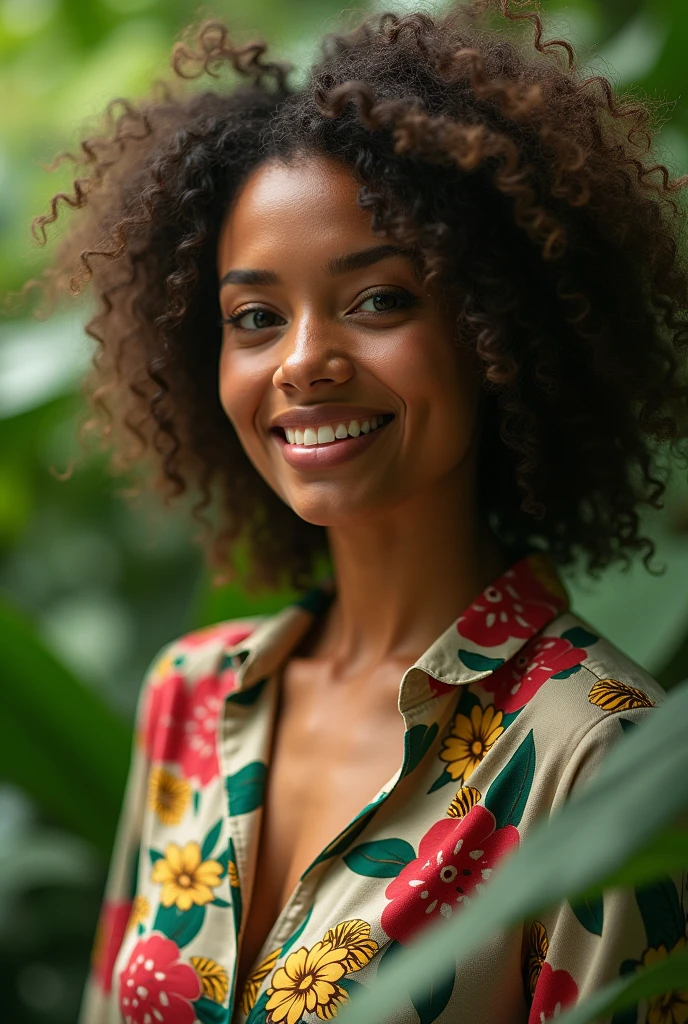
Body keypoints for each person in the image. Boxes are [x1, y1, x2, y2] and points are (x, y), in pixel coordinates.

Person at [30, 2, 688, 1022]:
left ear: (495, 328)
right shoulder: (190, 699)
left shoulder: (597, 756)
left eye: (377, 299)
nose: (301, 362)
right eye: (254, 317)